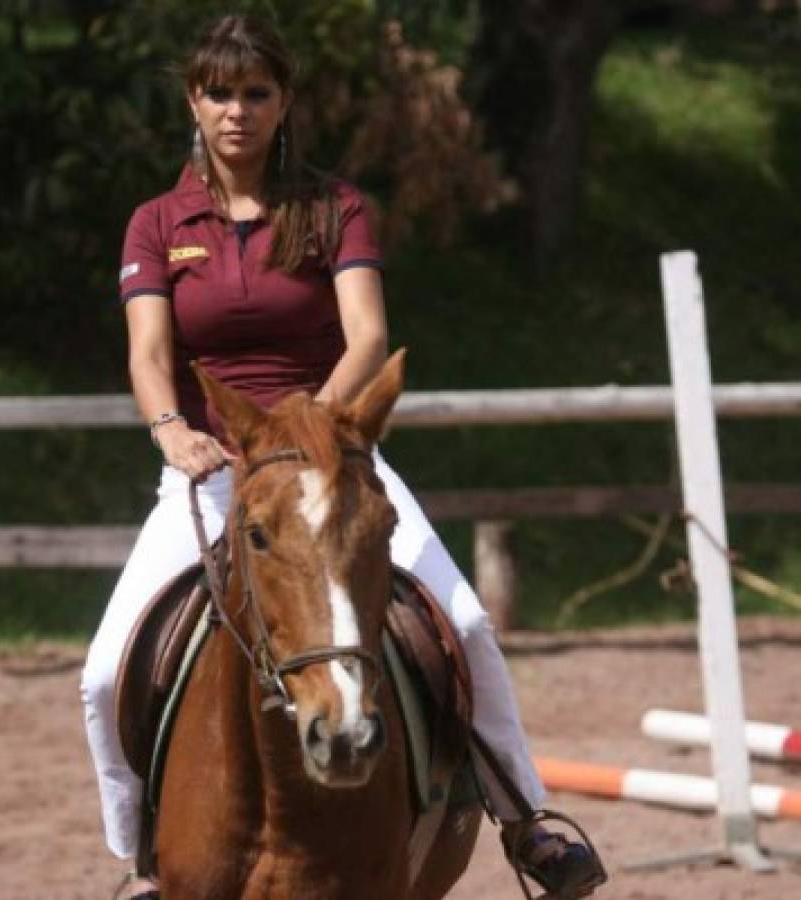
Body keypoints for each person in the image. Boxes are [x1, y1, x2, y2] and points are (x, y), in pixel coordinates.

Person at [80, 14, 604, 900]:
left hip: (333, 452)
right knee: (101, 674)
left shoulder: (335, 208)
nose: (236, 112)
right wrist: (171, 426)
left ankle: (526, 818)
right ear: (192, 101)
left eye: (255, 93)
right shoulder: (156, 223)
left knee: (466, 624)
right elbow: (148, 355)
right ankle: (141, 860)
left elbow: (368, 337)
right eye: (218, 93)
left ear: (284, 103)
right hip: (213, 465)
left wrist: (312, 434)